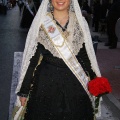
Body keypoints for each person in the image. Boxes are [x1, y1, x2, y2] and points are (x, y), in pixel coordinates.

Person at [13, 0, 102, 119]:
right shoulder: (41, 22)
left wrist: (96, 80)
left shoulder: (80, 23)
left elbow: (85, 56)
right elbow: (32, 59)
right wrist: (24, 91)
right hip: (45, 86)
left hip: (75, 86)